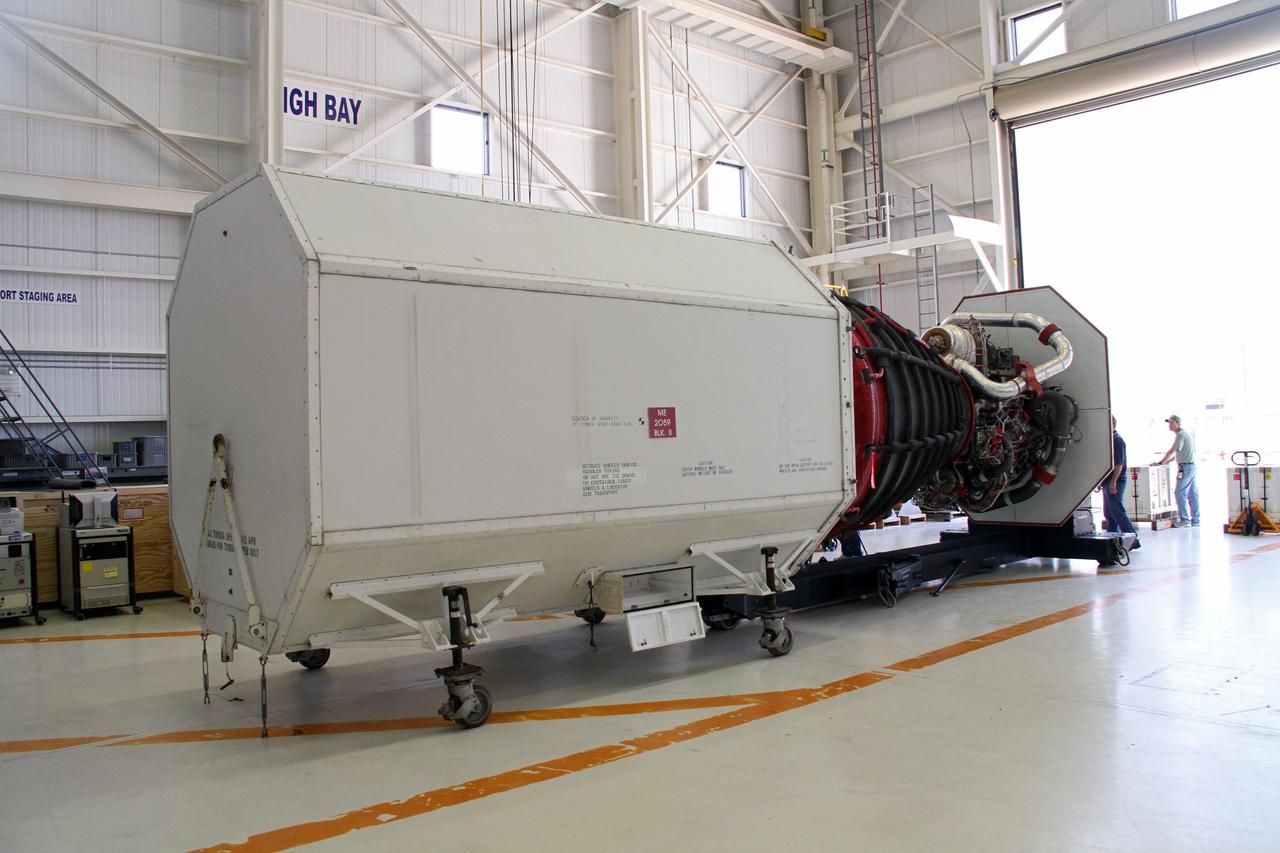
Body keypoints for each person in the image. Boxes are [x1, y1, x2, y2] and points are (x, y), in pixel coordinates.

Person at [1156, 414, 1199, 527]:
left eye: (1171, 423)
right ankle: (1196, 520)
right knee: (1192, 494)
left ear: (1178, 423)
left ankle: (1185, 520)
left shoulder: (1180, 434)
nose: (1169, 425)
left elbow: (1173, 450)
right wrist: (1168, 461)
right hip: (1190, 466)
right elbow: (1180, 453)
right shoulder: (1185, 434)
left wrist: (1161, 462)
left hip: (1186, 468)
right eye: (1169, 423)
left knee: (1180, 493)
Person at [1103, 416, 1139, 548]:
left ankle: (1132, 539)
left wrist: (1113, 482)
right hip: (1108, 481)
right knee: (1109, 513)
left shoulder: (1117, 441)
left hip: (1116, 480)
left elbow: (1119, 464)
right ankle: (1112, 539)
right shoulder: (1110, 440)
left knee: (1117, 511)